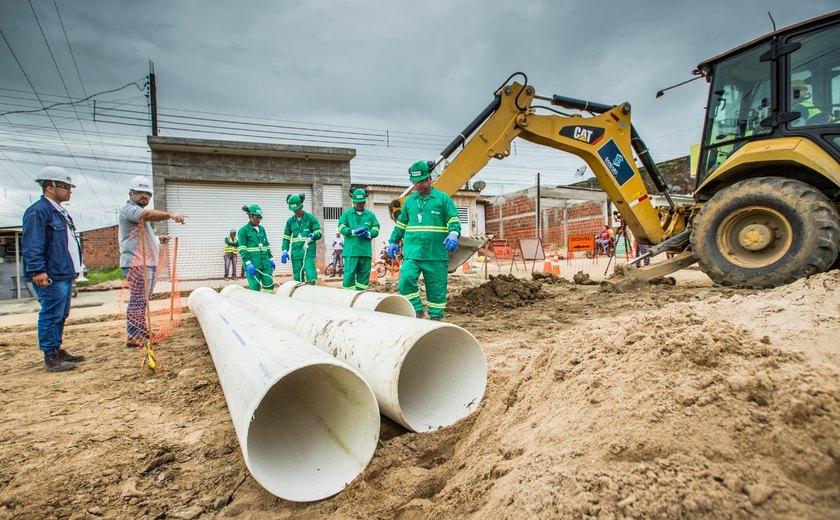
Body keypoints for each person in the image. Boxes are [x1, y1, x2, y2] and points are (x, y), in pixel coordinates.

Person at [22, 166, 86, 372]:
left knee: (61, 314)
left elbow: (66, 244)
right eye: (66, 187)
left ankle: (57, 350)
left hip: (63, 272)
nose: (69, 191)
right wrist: (37, 270)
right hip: (50, 273)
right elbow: (33, 244)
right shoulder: (38, 212)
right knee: (51, 313)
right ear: (50, 187)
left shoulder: (60, 213)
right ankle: (50, 356)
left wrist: (73, 270)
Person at [387, 160, 460, 320]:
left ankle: (435, 318)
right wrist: (393, 240)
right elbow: (401, 224)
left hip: (435, 254)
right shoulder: (410, 202)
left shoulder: (443, 199)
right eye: (415, 182)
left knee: (436, 290)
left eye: (421, 181)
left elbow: (453, 218)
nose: (418, 185)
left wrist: (453, 233)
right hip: (413, 253)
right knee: (406, 278)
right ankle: (416, 309)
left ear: (429, 179)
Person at [119, 176, 187, 348]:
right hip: (136, 264)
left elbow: (143, 237)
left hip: (147, 264)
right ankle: (133, 335)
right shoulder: (129, 210)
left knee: (144, 300)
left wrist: (158, 240)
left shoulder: (140, 216)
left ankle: (141, 329)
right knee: (138, 299)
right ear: (131, 193)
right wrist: (171, 215)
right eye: (140, 192)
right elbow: (148, 214)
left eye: (147, 194)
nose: (145, 197)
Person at [337, 188, 380, 290]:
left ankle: (360, 296)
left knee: (364, 277)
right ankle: (348, 298)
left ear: (365, 201)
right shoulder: (346, 214)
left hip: (365, 252)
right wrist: (352, 232)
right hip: (351, 252)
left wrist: (369, 234)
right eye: (357, 203)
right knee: (349, 276)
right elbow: (341, 228)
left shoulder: (370, 215)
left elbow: (376, 228)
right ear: (353, 201)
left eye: (362, 202)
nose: (360, 205)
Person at [281, 194, 322, 284]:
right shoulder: (290, 221)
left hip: (308, 252)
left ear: (302, 206)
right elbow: (286, 237)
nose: (295, 212)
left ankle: (314, 295)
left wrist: (313, 235)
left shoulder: (311, 218)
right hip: (296, 253)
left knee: (311, 275)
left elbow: (319, 232)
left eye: (296, 209)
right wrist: (284, 250)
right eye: (293, 210)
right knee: (297, 278)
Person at [237, 205, 275, 292]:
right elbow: (242, 249)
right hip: (253, 265)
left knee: (269, 285)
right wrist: (248, 263)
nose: (259, 220)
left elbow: (266, 245)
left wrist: (271, 258)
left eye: (260, 217)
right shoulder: (243, 231)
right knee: (254, 288)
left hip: (265, 264)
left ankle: (269, 304)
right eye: (256, 217)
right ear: (250, 216)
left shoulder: (262, 229)